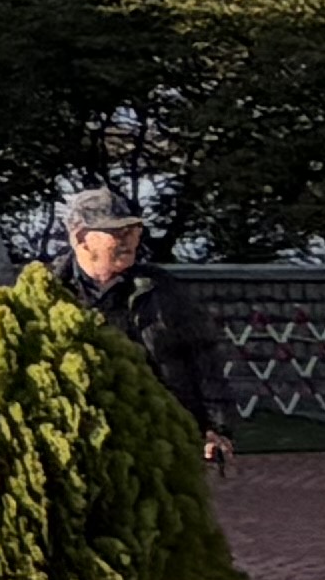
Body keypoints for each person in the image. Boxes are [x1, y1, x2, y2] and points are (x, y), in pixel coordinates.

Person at [53, 190, 236, 465]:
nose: (129, 241)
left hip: (161, 436)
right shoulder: (47, 294)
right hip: (80, 444)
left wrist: (215, 427)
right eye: (117, 232)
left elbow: (203, 357)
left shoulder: (161, 289)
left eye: (133, 230)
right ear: (81, 238)